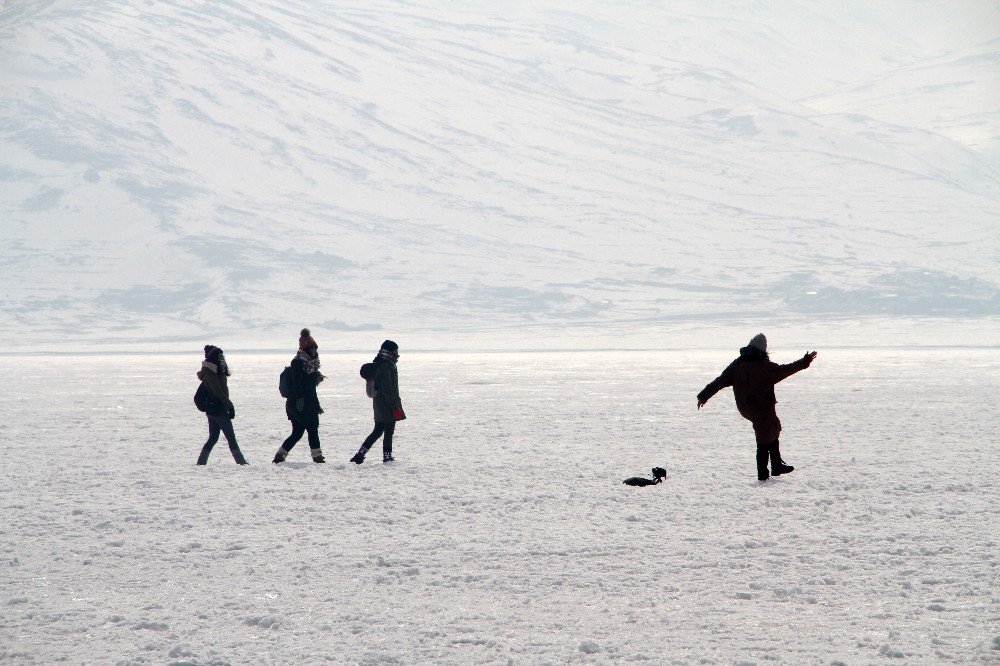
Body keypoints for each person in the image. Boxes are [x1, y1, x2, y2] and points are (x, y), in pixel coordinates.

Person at [697, 333, 817, 481]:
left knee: (773, 426)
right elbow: (787, 369)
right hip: (761, 408)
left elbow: (720, 381)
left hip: (744, 408)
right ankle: (763, 474)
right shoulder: (764, 366)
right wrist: (804, 362)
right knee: (764, 438)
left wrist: (703, 396)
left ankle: (777, 464)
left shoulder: (737, 364)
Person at [273, 329, 326, 463]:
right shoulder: (298, 362)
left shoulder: (311, 363)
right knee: (312, 428)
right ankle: (317, 456)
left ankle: (281, 454)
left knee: (297, 432)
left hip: (308, 402)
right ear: (306, 348)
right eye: (312, 348)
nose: (314, 351)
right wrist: (300, 400)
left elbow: (311, 388)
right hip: (299, 403)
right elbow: (298, 384)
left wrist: (317, 404)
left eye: (315, 348)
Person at [351, 340, 405, 464]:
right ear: (390, 352)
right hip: (387, 403)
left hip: (379, 403)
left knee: (378, 430)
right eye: (396, 351)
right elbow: (387, 388)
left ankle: (361, 453)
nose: (397, 353)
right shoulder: (386, 365)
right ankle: (387, 456)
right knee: (388, 431)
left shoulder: (381, 363)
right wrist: (395, 406)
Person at [196, 345, 249, 466]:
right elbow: (218, 391)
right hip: (218, 409)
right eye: (220, 356)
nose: (222, 358)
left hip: (213, 409)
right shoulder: (211, 373)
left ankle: (201, 463)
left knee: (213, 437)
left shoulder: (215, 370)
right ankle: (241, 463)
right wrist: (230, 406)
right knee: (231, 437)